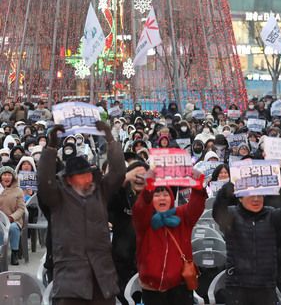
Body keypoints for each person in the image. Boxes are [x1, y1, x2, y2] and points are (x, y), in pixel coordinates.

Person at [38, 122, 125, 305]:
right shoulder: (58, 197)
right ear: (69, 179)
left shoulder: (101, 192)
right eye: (80, 175)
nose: (86, 179)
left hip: (103, 280)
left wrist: (109, 137)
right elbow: (44, 184)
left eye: (88, 174)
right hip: (71, 281)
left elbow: (118, 172)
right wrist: (51, 148)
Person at [212, 171, 281, 305]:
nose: (256, 199)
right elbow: (218, 211)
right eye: (250, 195)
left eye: (259, 195)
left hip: (266, 286)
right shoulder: (232, 216)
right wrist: (226, 191)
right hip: (237, 286)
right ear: (240, 198)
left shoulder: (271, 216)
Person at [132, 173, 207, 305]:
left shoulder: (182, 215)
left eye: (166, 195)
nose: (162, 198)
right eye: (157, 195)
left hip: (180, 286)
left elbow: (196, 206)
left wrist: (197, 187)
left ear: (171, 198)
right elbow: (140, 207)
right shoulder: (144, 220)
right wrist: (148, 190)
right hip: (152, 288)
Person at [108, 160, 149, 304]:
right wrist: (123, 180)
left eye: (143, 176)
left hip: (149, 263)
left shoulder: (156, 198)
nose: (139, 179)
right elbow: (106, 197)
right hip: (122, 263)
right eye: (136, 176)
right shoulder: (120, 197)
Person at [0, 165, 26, 265]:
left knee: (13, 228)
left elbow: (21, 208)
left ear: (13, 177)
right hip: (0, 220)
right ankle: (1, 253)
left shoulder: (18, 190)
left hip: (13, 219)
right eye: (4, 175)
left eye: (9, 175)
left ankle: (14, 254)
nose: (7, 177)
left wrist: (12, 217)